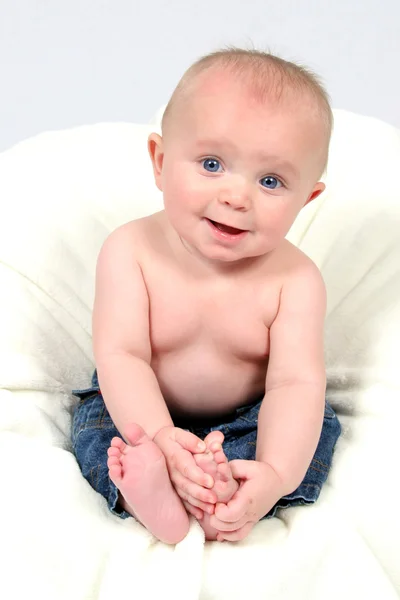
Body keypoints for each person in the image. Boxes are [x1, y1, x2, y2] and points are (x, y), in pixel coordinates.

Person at [72, 47, 341, 545]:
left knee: (313, 425)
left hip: (249, 414)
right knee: (97, 427)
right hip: (140, 404)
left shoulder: (296, 281)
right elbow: (122, 356)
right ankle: (148, 494)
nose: (237, 197)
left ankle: (242, 494)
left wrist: (277, 471)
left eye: (270, 181)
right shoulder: (130, 251)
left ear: (307, 199)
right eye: (212, 163)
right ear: (160, 160)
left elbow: (293, 384)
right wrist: (157, 436)